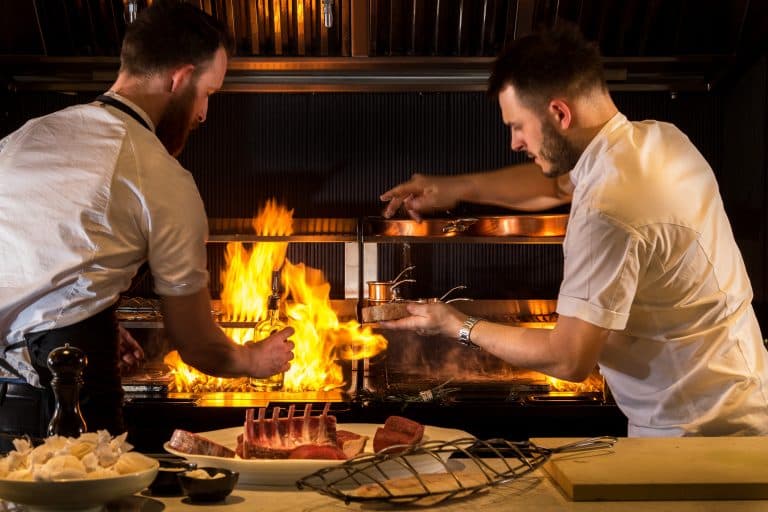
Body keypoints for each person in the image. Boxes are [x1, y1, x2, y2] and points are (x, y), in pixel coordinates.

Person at [379, 25, 768, 437]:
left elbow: (568, 361)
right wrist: (457, 188)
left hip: (695, 436)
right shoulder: (658, 139)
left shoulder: (608, 209)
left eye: (517, 126)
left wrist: (456, 325)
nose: (514, 141)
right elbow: (558, 184)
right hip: (739, 405)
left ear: (560, 113)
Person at [0, 0, 294, 439]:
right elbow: (195, 343)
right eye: (208, 93)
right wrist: (253, 360)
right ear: (179, 78)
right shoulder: (160, 177)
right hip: (69, 416)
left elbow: (35, 269)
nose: (203, 115)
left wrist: (94, 320)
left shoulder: (25, 138)